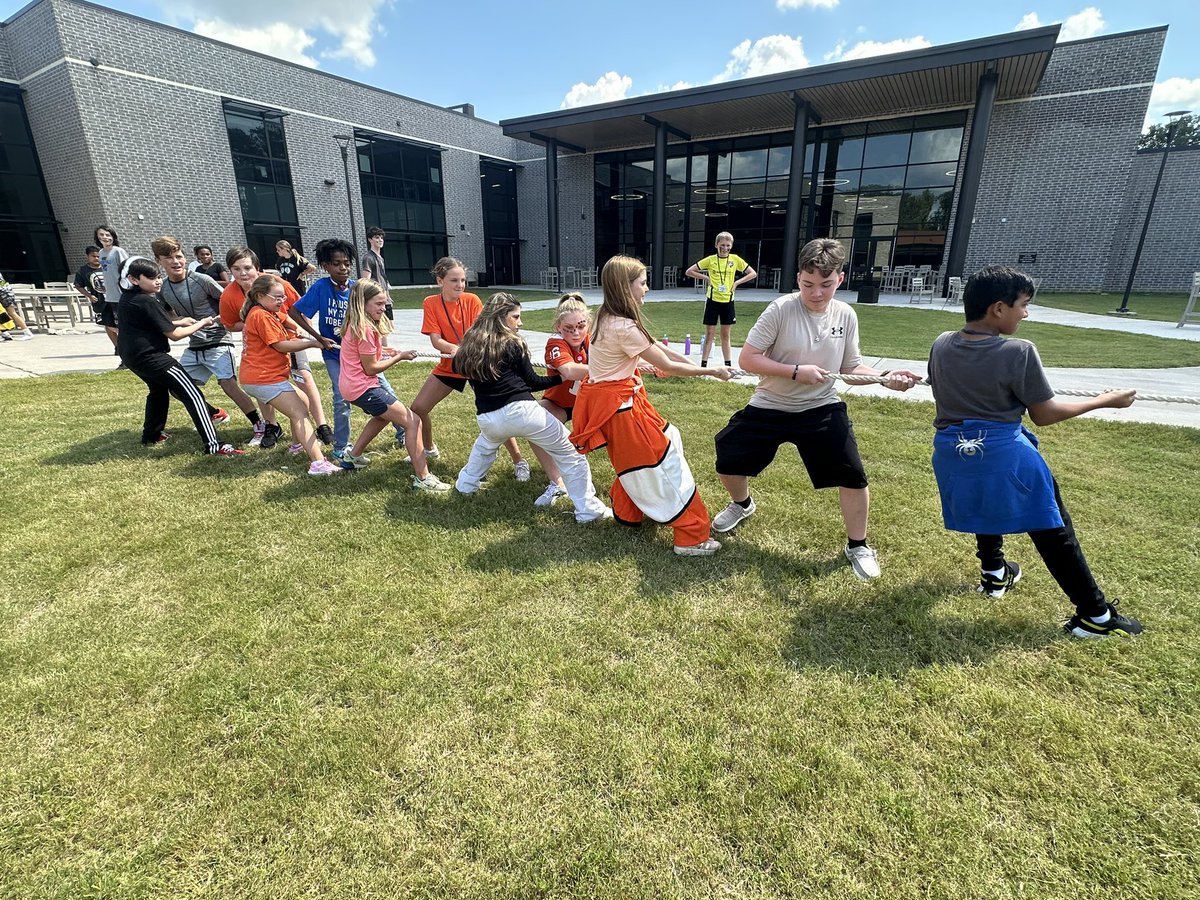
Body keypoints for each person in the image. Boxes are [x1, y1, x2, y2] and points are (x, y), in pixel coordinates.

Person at [928, 265, 1143, 638]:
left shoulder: (942, 342)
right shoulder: (1018, 351)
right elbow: (1044, 414)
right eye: (1023, 305)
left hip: (953, 453)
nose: (1025, 314)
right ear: (998, 309)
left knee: (987, 507)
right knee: (1054, 530)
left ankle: (995, 575)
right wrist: (1104, 400)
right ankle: (1096, 616)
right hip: (1005, 456)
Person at [710, 238, 919, 580]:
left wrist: (884, 377)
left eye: (825, 284)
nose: (816, 293)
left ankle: (858, 545)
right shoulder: (781, 309)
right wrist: (796, 371)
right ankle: (742, 505)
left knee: (852, 473)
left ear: (840, 278)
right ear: (798, 278)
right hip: (771, 402)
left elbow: (852, 369)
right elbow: (748, 358)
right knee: (728, 455)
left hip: (821, 405)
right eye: (808, 284)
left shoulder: (846, 315)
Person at [571, 255, 733, 556]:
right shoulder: (622, 327)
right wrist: (710, 371)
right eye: (643, 283)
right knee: (663, 468)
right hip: (623, 411)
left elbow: (657, 349)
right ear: (625, 288)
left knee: (649, 456)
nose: (647, 288)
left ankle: (628, 513)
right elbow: (668, 365)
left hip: (623, 406)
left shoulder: (609, 318)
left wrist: (702, 364)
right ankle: (692, 538)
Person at [454, 292, 610, 522]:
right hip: (522, 411)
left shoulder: (468, 343)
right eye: (516, 317)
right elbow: (532, 382)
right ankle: (589, 510)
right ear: (501, 317)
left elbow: (461, 371)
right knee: (571, 454)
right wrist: (559, 378)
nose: (520, 322)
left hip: (487, 417)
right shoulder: (512, 342)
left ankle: (465, 486)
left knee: (484, 448)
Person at [410, 256, 530, 477]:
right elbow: (436, 340)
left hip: (478, 365)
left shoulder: (473, 299)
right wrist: (457, 350)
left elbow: (485, 331)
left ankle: (519, 461)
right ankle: (429, 449)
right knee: (418, 408)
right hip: (451, 365)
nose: (460, 285)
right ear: (440, 280)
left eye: (463, 280)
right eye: (454, 280)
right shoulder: (430, 303)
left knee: (496, 412)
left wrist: (471, 351)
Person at [115, 256, 242, 456]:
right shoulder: (147, 301)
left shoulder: (129, 299)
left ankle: (152, 435)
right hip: (152, 357)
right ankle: (214, 445)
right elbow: (174, 336)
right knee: (194, 395)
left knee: (157, 391)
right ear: (133, 279)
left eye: (158, 276)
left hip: (132, 357)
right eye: (150, 277)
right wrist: (202, 322)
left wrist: (180, 321)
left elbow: (153, 323)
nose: (157, 281)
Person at [289, 238, 404, 457]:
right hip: (335, 354)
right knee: (341, 397)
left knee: (385, 390)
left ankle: (402, 433)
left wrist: (379, 348)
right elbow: (294, 312)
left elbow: (374, 318)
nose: (343, 267)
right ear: (325, 266)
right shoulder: (321, 288)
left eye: (347, 263)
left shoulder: (357, 288)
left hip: (362, 355)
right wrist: (319, 338)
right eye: (337, 263)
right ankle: (341, 446)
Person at [336, 279, 450, 491]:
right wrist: (400, 357)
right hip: (364, 387)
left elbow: (362, 356)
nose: (383, 308)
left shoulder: (357, 324)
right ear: (363, 303)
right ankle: (423, 478)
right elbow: (371, 368)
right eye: (378, 304)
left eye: (384, 303)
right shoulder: (366, 329)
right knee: (413, 421)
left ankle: (353, 457)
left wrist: (387, 352)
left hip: (351, 387)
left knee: (381, 417)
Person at [152, 236, 266, 438]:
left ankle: (259, 424)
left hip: (219, 341)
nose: (175, 262)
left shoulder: (201, 279)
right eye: (168, 258)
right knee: (177, 389)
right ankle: (214, 414)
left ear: (185, 258)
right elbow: (168, 314)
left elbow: (229, 301)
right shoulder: (164, 288)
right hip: (195, 345)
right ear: (158, 261)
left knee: (228, 384)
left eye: (179, 256)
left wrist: (222, 320)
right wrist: (181, 321)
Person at [220, 246, 330, 450]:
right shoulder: (237, 299)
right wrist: (258, 327)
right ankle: (274, 427)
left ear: (257, 267)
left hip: (292, 340)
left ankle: (321, 425)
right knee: (275, 393)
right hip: (267, 356)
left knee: (303, 379)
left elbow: (298, 311)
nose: (242, 273)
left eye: (247, 267)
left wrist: (307, 335)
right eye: (236, 269)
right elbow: (229, 323)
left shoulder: (276, 284)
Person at [239, 275, 339, 476]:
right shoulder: (261, 315)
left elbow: (289, 321)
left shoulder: (271, 312)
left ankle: (297, 445)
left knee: (304, 402)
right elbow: (280, 345)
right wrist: (313, 342)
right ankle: (318, 463)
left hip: (267, 377)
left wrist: (307, 333)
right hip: (263, 378)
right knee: (299, 413)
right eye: (277, 297)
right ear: (260, 296)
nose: (282, 302)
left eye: (283, 297)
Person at [534, 293, 592, 507]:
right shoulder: (555, 343)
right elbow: (568, 371)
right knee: (534, 423)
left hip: (589, 404)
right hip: (559, 403)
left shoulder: (592, 338)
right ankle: (557, 483)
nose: (576, 332)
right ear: (558, 326)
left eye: (581, 325)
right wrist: (608, 369)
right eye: (569, 328)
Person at [685, 231, 757, 368]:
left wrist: (736, 283)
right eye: (722, 245)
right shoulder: (711, 260)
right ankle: (703, 366)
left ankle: (728, 366)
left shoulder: (735, 259)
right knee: (710, 334)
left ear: (731, 246)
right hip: (713, 300)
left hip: (728, 301)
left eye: (728, 245)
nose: (725, 248)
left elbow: (752, 273)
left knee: (725, 335)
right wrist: (706, 278)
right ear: (716, 245)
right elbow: (689, 271)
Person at [95, 225, 128, 363]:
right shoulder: (101, 253)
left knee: (124, 327)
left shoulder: (118, 251)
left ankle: (126, 357)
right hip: (110, 296)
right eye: (101, 235)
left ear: (113, 236)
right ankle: (124, 353)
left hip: (121, 295)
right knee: (110, 325)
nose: (105, 237)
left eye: (108, 235)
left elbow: (127, 270)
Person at [359, 227, 394, 335]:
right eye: (376, 237)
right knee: (381, 328)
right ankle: (381, 350)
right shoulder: (368, 258)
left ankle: (384, 349)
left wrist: (387, 295)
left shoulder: (380, 258)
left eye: (381, 237)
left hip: (385, 298)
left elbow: (382, 278)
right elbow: (365, 281)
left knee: (388, 328)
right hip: (376, 299)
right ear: (370, 240)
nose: (380, 240)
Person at [72, 245, 106, 323]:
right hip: (98, 301)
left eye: (98, 256)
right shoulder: (83, 271)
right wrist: (89, 296)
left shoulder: (107, 267)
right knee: (106, 324)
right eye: (93, 256)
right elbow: (78, 286)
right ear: (87, 256)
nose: (96, 258)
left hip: (112, 299)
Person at [0, 274, 34, 341]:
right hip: (5, 293)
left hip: (4, 295)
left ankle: (27, 333)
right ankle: (4, 333)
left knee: (12, 313)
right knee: (3, 314)